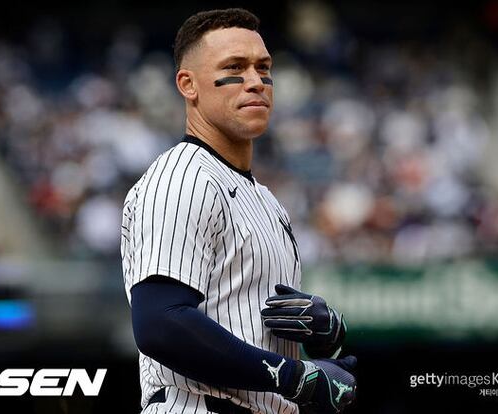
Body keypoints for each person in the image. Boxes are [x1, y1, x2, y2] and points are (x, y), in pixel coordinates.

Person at [121, 8, 356, 413]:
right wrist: (293, 376)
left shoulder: (265, 199)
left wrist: (324, 338)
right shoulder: (182, 178)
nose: (256, 81)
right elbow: (161, 322)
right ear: (188, 84)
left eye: (263, 68)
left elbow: (251, 327)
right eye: (234, 67)